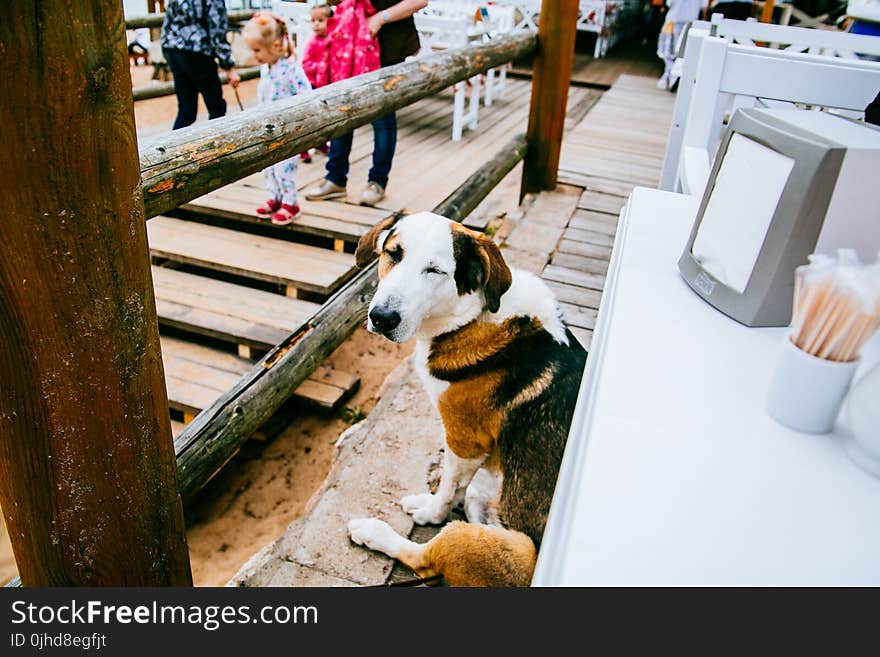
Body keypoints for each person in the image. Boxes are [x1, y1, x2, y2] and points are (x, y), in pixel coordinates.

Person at [305, 0, 427, 207]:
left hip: (388, 46)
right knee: (343, 110)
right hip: (347, 42)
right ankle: (335, 178)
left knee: (382, 118)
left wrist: (381, 18)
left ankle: (377, 181)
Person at [242, 12, 313, 226]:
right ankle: (276, 197)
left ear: (274, 46)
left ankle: (290, 201)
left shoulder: (291, 69)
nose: (255, 56)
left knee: (285, 167)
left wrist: (301, 121)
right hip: (268, 130)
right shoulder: (267, 69)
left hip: (287, 129)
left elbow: (306, 94)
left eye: (257, 50)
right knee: (270, 167)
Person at [161, 0, 241, 130]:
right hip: (197, 50)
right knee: (216, 108)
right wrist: (228, 66)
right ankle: (219, 145)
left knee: (186, 111)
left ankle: (173, 146)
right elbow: (216, 28)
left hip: (172, 48)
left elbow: (169, 18)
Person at [656, 0, 708, 90]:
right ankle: (676, 77)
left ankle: (669, 76)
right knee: (685, 52)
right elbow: (704, 6)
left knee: (669, 51)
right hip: (691, 23)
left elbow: (669, 3)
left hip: (674, 19)